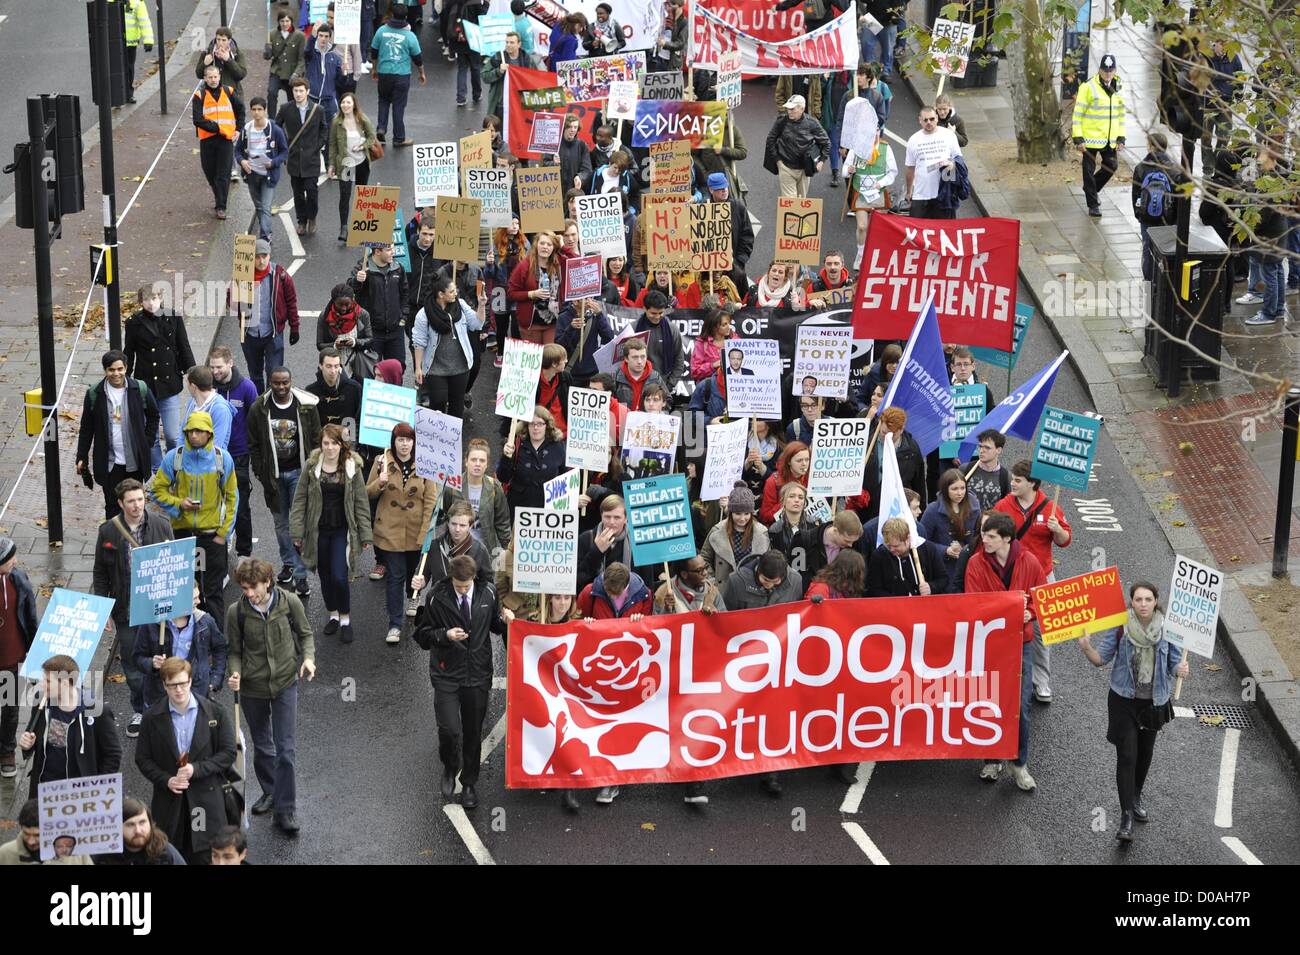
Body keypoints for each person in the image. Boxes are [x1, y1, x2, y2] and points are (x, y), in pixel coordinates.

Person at [1079, 581, 1190, 843]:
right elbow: (1101, 659)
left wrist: (1180, 671)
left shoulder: (1167, 629)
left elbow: (1174, 664)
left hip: (1154, 702)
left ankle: (1136, 794)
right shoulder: (1121, 626)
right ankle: (1126, 815)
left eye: (1147, 599)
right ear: (1132, 602)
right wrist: (1086, 648)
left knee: (1145, 754)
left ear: (1155, 601)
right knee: (1127, 755)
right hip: (1123, 700)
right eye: (1138, 599)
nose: (1143, 604)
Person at [226, 558, 315, 834]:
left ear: (268, 581)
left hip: (285, 683)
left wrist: (309, 658)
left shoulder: (289, 602)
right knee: (263, 746)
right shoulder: (235, 612)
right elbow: (234, 651)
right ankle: (270, 791)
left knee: (285, 751)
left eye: (253, 587)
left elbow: (305, 633)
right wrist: (236, 673)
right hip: (253, 688)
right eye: (244, 588)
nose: (249, 593)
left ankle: (285, 810)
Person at [415, 554, 511, 810]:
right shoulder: (436, 595)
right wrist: (444, 635)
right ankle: (449, 766)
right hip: (446, 673)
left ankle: (469, 783)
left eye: (466, 586)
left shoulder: (488, 593)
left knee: (472, 733)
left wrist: (505, 622)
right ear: (451, 578)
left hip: (478, 674)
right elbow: (422, 635)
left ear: (474, 579)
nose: (462, 590)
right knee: (449, 730)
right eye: (458, 586)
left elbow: (494, 626)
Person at [963, 511, 1048, 792]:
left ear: (1007, 539)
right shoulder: (976, 564)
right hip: (990, 646)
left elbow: (1042, 598)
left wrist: (1030, 613)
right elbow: (973, 603)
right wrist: (1012, 609)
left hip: (1020, 644)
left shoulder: (1030, 562)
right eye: (984, 535)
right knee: (990, 703)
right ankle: (992, 759)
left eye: (990, 536)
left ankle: (1019, 764)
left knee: (1020, 707)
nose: (983, 540)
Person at [135, 656, 238, 864]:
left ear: (190, 681)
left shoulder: (215, 712)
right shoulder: (151, 717)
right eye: (172, 685)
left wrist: (196, 769)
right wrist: (166, 780)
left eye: (182, 683)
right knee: (171, 854)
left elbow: (228, 753)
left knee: (205, 855)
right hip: (170, 804)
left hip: (206, 802)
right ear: (164, 686)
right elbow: (143, 758)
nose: (178, 690)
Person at [90, 479, 173, 736]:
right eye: (131, 501)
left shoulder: (161, 525)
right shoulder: (108, 531)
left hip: (158, 608)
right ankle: (141, 709)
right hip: (126, 610)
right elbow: (101, 571)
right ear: (120, 504)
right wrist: (103, 607)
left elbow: (175, 562)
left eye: (140, 499)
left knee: (161, 659)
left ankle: (162, 707)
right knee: (133, 664)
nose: (137, 506)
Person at [719, 551, 802, 795]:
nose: (771, 587)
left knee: (774, 716)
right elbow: (726, 620)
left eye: (776, 584)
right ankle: (741, 760)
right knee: (744, 715)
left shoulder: (794, 581)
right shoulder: (736, 582)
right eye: (766, 582)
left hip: (778, 662)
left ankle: (771, 772)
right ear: (757, 572)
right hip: (743, 662)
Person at [994, 459, 1073, 703]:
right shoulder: (1003, 505)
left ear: (1032, 483)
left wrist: (1057, 529)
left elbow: (1065, 540)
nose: (1012, 483)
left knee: (1041, 633)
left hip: (1041, 578)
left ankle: (1041, 682)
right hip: (1010, 577)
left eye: (1018, 480)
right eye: (1013, 479)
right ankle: (1007, 679)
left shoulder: (1051, 507)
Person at [149, 411, 238, 620]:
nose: (194, 436)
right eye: (190, 431)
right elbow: (157, 491)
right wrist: (179, 504)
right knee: (185, 592)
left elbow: (233, 497)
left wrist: (223, 534)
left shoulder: (222, 459)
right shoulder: (175, 458)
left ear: (209, 434)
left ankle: (215, 642)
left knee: (213, 592)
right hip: (182, 536)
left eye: (200, 431)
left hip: (212, 537)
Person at [290, 424, 373, 642]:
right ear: (321, 444)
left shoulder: (351, 467)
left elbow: (361, 502)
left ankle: (345, 618)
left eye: (334, 443)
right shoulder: (311, 467)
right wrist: (297, 533)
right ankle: (333, 615)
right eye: (325, 443)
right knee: (325, 576)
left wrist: (365, 535)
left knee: (339, 575)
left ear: (341, 445)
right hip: (318, 531)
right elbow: (299, 501)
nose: (329, 448)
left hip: (341, 531)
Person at [248, 367, 323, 601]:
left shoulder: (306, 406)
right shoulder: (259, 408)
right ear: (270, 382)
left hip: (299, 474)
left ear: (291, 382)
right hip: (274, 477)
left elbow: (316, 437)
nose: (281, 387)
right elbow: (254, 444)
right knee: (281, 524)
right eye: (276, 383)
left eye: (285, 383)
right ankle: (289, 563)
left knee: (297, 524)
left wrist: (313, 468)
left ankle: (300, 575)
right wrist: (261, 472)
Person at [369, 422, 439, 644]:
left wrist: (425, 534)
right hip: (389, 531)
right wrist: (379, 483)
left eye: (409, 439)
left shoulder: (426, 464)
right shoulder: (381, 462)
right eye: (400, 439)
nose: (405, 444)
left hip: (416, 531)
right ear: (394, 441)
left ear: (414, 442)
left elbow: (431, 502)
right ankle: (394, 625)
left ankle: (413, 597)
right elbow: (365, 493)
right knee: (395, 577)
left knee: (412, 574)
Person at [19, 655, 122, 800]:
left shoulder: (98, 711)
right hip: (45, 788)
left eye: (48, 681)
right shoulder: (41, 702)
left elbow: (113, 755)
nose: (42, 685)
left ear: (66, 683)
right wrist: (26, 745)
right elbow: (33, 737)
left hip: (80, 794)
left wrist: (97, 787)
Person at [76, 349, 160, 519]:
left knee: (135, 505)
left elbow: (153, 415)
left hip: (134, 461)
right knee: (113, 506)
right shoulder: (94, 393)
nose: (116, 373)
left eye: (120, 369)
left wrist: (147, 441)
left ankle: (136, 541)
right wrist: (81, 456)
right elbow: (86, 427)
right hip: (109, 463)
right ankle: (115, 542)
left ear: (126, 368)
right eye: (111, 370)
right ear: (105, 370)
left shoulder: (139, 388)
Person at [125, 284, 195, 472]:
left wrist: (192, 372)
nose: (151, 303)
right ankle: (158, 470)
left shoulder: (173, 317)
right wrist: (124, 378)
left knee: (173, 434)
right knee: (152, 435)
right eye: (147, 299)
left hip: (169, 384)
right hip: (146, 385)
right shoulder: (133, 322)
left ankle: (175, 465)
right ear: (141, 302)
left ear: (161, 299)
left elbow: (184, 346)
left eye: (154, 298)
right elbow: (129, 352)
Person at [134, 583, 227, 709]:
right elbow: (137, 658)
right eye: (194, 598)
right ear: (178, 599)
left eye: (198, 596)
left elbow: (220, 648)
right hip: (159, 697)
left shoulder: (205, 621)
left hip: (197, 694)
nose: (199, 601)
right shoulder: (151, 624)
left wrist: (216, 678)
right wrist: (152, 663)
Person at [208, 347, 259, 560]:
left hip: (238, 456)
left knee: (240, 505)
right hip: (213, 456)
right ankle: (222, 544)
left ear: (230, 363)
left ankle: (244, 553)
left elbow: (255, 419)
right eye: (212, 367)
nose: (215, 371)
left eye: (219, 367)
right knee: (214, 503)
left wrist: (253, 451)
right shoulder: (208, 386)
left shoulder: (247, 387)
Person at [240, 238, 302, 394]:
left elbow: (291, 301)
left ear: (269, 255)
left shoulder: (280, 275)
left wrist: (295, 327)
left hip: (273, 334)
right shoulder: (242, 275)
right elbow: (232, 304)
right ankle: (259, 404)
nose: (261, 260)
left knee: (274, 375)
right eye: (257, 257)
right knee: (255, 375)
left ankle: (271, 405)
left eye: (264, 256)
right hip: (249, 334)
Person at [412, 273, 474, 419]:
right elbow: (419, 341)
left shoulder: (461, 305)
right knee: (438, 403)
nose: (456, 294)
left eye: (455, 290)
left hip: (460, 366)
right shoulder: (424, 314)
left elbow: (476, 324)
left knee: (457, 404)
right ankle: (436, 438)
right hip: (436, 368)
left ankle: (453, 439)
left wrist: (482, 306)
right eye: (452, 291)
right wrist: (418, 367)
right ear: (441, 294)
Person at [1072, 53, 1127, 218]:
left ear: (1115, 70)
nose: (1108, 74)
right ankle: (1093, 204)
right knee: (1088, 171)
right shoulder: (1088, 87)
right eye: (1105, 71)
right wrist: (1078, 138)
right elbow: (1078, 114)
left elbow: (1120, 114)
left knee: (1112, 166)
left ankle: (1091, 189)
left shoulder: (1119, 86)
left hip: (1109, 138)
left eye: (1110, 71)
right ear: (1100, 70)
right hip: (1089, 137)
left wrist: (1121, 137)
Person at [0, 539, 37, 780]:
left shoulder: (18, 578)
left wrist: (36, 650)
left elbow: (31, 616)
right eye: (10, 557)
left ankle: (6, 753)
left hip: (12, 658)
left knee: (10, 709)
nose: (15, 560)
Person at [441, 439, 512, 564]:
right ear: (466, 462)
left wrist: (510, 551)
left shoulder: (494, 487)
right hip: (458, 550)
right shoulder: (453, 486)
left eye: (482, 460)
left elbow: (502, 523)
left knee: (485, 583)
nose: (477, 464)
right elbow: (447, 515)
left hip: (486, 551)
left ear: (487, 464)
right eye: (473, 460)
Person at [1132, 131, 1187, 281]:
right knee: (1167, 250)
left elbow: (1136, 195)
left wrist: (1139, 214)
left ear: (1150, 146)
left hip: (1147, 218)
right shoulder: (1174, 169)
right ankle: (1164, 280)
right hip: (1168, 218)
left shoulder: (1141, 168)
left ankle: (1148, 281)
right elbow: (1179, 197)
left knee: (1147, 249)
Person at [276, 77, 328, 235]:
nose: (298, 94)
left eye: (301, 91)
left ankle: (312, 218)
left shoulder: (318, 109)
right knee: (298, 193)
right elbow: (276, 127)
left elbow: (324, 129)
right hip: (294, 159)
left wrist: (317, 146)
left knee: (312, 191)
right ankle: (301, 221)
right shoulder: (285, 108)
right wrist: (284, 144)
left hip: (311, 159)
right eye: (295, 91)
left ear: (308, 92)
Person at [192, 63, 245, 220]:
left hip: (226, 140)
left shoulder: (229, 92)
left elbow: (241, 110)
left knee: (223, 174)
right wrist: (217, 128)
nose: (213, 80)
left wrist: (238, 129)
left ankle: (221, 206)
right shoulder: (199, 96)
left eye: (215, 77)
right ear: (205, 79)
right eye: (210, 77)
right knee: (209, 172)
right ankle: (219, 196)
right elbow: (198, 120)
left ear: (219, 77)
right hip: (207, 139)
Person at [370, 3, 425, 146]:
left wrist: (374, 69)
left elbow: (374, 52)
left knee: (383, 100)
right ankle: (399, 138)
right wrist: (421, 73)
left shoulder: (381, 31)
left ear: (392, 15)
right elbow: (417, 57)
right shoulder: (409, 35)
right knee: (398, 106)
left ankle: (381, 128)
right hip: (402, 75)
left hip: (384, 73)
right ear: (406, 17)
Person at [327, 91, 379, 243]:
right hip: (346, 164)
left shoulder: (362, 119)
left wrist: (363, 146)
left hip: (362, 162)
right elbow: (332, 144)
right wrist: (331, 164)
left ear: (354, 104)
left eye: (348, 102)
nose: (345, 105)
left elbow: (372, 137)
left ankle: (361, 227)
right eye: (343, 102)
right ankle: (344, 227)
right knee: (345, 195)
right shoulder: (336, 122)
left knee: (362, 195)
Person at [919, 468, 981, 591]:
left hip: (968, 564)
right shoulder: (933, 510)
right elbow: (921, 541)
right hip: (942, 567)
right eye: (954, 489)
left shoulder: (974, 507)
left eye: (963, 488)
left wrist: (966, 548)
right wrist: (945, 550)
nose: (959, 493)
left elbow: (979, 535)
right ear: (945, 489)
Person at [350, 242, 409, 369]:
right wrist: (357, 280)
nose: (393, 252)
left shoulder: (398, 267)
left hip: (395, 330)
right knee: (371, 371)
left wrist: (403, 317)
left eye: (393, 248)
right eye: (388, 250)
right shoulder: (362, 267)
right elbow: (350, 290)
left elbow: (405, 293)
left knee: (397, 370)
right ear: (377, 251)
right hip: (372, 333)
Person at [236, 96, 289, 240]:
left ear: (265, 111)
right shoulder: (246, 130)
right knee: (259, 207)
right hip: (252, 174)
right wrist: (242, 162)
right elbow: (238, 151)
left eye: (260, 109)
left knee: (265, 207)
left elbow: (285, 151)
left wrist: (273, 163)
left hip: (268, 175)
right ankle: (267, 231)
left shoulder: (275, 130)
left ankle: (265, 237)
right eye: (254, 109)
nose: (256, 113)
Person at [498, 406, 567, 511]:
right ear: (526, 426)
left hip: (547, 509)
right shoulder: (515, 444)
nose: (535, 427)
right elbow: (503, 477)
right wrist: (506, 457)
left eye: (540, 424)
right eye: (532, 423)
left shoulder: (558, 447)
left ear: (547, 426)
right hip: (518, 507)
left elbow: (565, 478)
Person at [701, 483, 770, 583]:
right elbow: (705, 558)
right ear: (731, 512)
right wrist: (713, 580)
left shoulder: (762, 532)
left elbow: (767, 562)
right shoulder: (717, 530)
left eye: (746, 514)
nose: (742, 518)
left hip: (752, 587)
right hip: (724, 589)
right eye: (738, 513)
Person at [764, 94, 830, 198]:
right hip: (785, 167)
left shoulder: (812, 123)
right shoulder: (782, 121)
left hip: (805, 169)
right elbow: (770, 139)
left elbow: (826, 143)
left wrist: (822, 161)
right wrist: (778, 161)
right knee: (790, 202)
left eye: (792, 108)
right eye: (788, 108)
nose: (789, 111)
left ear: (802, 109)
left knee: (801, 202)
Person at [508, 230, 567, 346]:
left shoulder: (559, 264)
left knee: (549, 359)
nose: (545, 247)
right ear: (536, 245)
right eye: (542, 243)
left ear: (554, 248)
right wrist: (532, 294)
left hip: (553, 323)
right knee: (535, 362)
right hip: (531, 325)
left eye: (549, 245)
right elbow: (511, 293)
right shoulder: (524, 266)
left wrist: (563, 246)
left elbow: (577, 260)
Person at [904, 106, 962, 219]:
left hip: (944, 194)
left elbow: (959, 160)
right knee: (918, 232)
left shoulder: (949, 135)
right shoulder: (913, 140)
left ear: (937, 118)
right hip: (921, 195)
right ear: (919, 120)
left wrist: (952, 164)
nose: (929, 122)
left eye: (931, 119)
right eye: (925, 120)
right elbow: (910, 168)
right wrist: (909, 191)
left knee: (945, 232)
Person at [0, 798, 92, 865]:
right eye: (26, 834)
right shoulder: (5, 854)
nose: (31, 841)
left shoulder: (77, 855)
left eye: (37, 835)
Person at [97, 798, 186, 865]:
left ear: (150, 823)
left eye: (142, 822)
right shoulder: (104, 854)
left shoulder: (165, 852)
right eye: (130, 825)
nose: (138, 830)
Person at [635, 290, 685, 394]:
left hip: (663, 387)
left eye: (661, 313)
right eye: (653, 313)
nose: (657, 317)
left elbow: (679, 361)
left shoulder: (672, 329)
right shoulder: (632, 329)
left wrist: (669, 386)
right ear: (644, 309)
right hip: (637, 385)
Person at [303, 21, 344, 133]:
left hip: (329, 102)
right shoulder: (312, 54)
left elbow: (340, 82)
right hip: (312, 99)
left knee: (330, 132)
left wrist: (344, 73)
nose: (323, 39)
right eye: (320, 35)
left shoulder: (335, 58)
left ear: (330, 38)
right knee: (311, 131)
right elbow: (307, 51)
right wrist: (312, 35)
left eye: (326, 36)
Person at [182, 364, 235, 452]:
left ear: (194, 386)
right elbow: (182, 433)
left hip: (210, 463)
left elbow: (215, 445)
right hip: (188, 460)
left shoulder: (220, 409)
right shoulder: (192, 402)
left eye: (187, 383)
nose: (187, 386)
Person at [759, 442, 812, 524]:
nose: (804, 464)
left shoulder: (812, 478)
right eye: (799, 460)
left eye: (807, 459)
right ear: (789, 462)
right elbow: (765, 517)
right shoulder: (773, 482)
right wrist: (786, 502)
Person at [482, 31, 531, 118]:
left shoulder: (526, 59)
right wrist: (499, 71)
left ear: (519, 44)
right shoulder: (498, 57)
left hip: (520, 104)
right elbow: (484, 76)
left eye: (512, 42)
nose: (508, 45)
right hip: (502, 104)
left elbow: (536, 77)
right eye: (507, 42)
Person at [964, 428, 1011, 512]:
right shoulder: (965, 469)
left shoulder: (1006, 477)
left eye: (987, 448)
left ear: (998, 450)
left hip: (992, 523)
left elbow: (1007, 507)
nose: (982, 450)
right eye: (980, 446)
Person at [449, 0, 485, 107]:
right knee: (475, 67)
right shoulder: (476, 2)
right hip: (473, 38)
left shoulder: (454, 2)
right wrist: (486, 4)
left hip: (458, 39)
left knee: (462, 68)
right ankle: (477, 94)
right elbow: (482, 17)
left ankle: (461, 97)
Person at [266, 10, 304, 110]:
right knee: (271, 93)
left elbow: (302, 59)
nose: (285, 24)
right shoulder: (272, 34)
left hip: (291, 72)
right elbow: (267, 57)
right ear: (279, 21)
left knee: (292, 99)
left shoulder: (299, 36)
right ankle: (272, 119)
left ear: (291, 21)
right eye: (282, 21)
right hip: (277, 70)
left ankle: (290, 119)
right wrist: (267, 51)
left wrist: (297, 73)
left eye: (287, 21)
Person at [195, 25, 247, 96]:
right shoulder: (207, 53)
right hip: (211, 94)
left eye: (223, 40)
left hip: (232, 94)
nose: (220, 43)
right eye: (218, 39)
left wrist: (229, 60)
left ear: (229, 41)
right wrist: (204, 64)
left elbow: (241, 75)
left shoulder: (236, 54)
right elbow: (199, 74)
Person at [767, 482, 813, 557]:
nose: (797, 500)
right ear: (783, 501)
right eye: (791, 496)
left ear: (804, 502)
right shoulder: (775, 530)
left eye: (801, 497)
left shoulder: (815, 524)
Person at [121, 0, 155, 102]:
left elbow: (144, 21)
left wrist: (148, 40)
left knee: (129, 69)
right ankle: (115, 95)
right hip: (113, 42)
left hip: (130, 44)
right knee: (114, 69)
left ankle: (128, 94)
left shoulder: (137, 2)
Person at [559, 114, 594, 193]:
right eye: (570, 127)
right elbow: (545, 164)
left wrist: (580, 177)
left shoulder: (582, 146)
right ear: (564, 127)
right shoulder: (555, 144)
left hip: (573, 190)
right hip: (556, 190)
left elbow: (587, 169)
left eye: (575, 127)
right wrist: (553, 163)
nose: (573, 130)